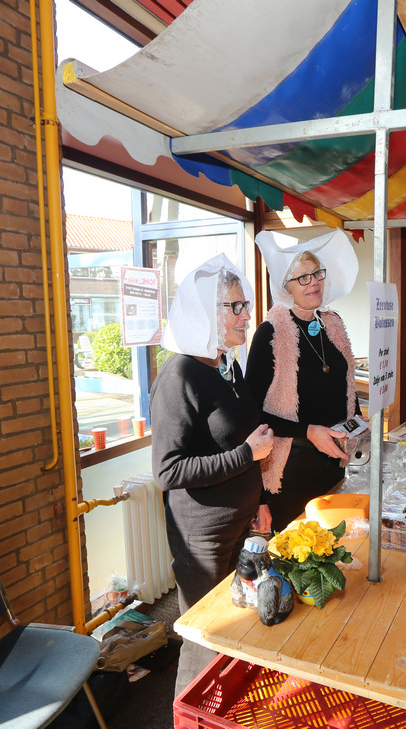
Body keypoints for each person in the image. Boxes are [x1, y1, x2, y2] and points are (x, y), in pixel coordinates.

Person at [149, 253, 274, 695]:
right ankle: (189, 717)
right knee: (205, 638)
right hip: (202, 539)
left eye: (245, 305)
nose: (246, 316)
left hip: (241, 524)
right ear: (204, 312)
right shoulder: (179, 374)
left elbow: (241, 436)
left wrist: (260, 498)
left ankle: (229, 708)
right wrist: (246, 456)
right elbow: (168, 470)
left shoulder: (227, 364)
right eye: (234, 307)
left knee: (238, 626)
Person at [246, 230, 361, 532]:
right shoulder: (270, 334)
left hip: (333, 464)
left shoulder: (332, 323)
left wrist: (359, 422)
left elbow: (346, 387)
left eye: (317, 274)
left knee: (334, 545)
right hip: (290, 469)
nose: (314, 282)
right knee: (296, 552)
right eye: (303, 278)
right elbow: (251, 415)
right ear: (285, 287)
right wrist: (308, 431)